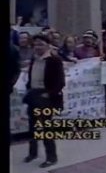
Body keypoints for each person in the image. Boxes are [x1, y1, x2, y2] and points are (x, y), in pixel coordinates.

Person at [22, 34, 65, 168]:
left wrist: (49, 94)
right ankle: (32, 153)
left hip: (46, 97)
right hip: (33, 95)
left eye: (40, 44)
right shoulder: (34, 59)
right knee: (32, 127)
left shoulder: (54, 60)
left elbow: (60, 82)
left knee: (46, 128)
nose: (37, 47)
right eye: (35, 45)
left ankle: (51, 157)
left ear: (47, 45)